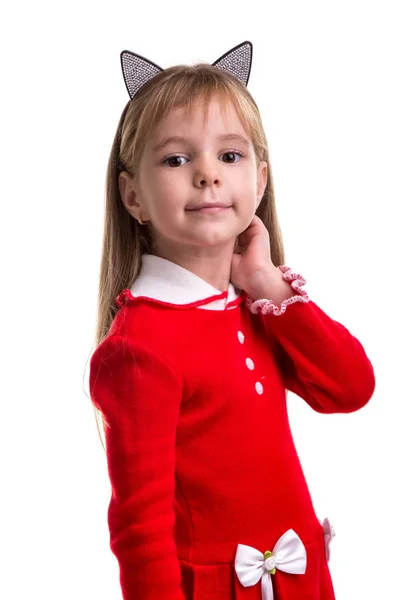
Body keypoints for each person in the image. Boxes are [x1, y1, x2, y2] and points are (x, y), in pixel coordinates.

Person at [88, 41, 375, 600]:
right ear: (133, 197)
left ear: (260, 181)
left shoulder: (258, 307)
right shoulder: (140, 347)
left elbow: (350, 388)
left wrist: (269, 285)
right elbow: (140, 531)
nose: (207, 175)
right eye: (176, 159)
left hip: (299, 578)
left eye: (230, 155)